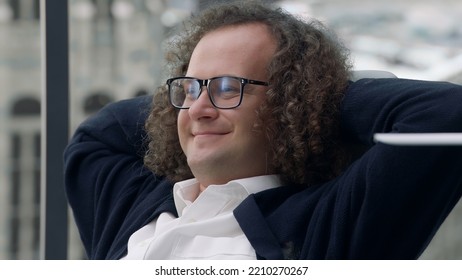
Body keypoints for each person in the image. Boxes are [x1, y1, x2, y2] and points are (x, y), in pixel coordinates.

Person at [64, 1, 462, 260]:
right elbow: (100, 132)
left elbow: (446, 114)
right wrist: (196, 95)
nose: (198, 109)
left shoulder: (327, 227)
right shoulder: (135, 205)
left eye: (226, 88)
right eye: (189, 87)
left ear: (289, 104)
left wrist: (315, 97)